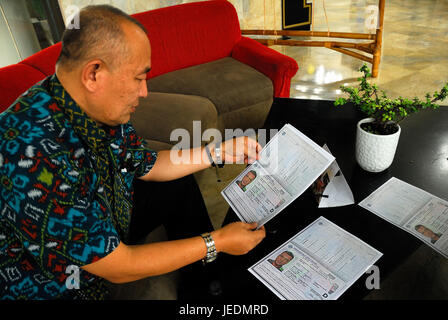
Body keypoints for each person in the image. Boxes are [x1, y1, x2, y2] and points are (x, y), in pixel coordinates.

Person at [0, 5, 265, 300]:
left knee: (179, 184)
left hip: (105, 209)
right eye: (138, 78)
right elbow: (117, 266)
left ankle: (205, 288)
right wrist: (215, 241)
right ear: (94, 74)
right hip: (59, 282)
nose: (144, 92)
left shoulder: (91, 105)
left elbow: (148, 164)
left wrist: (217, 152)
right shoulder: (31, 154)